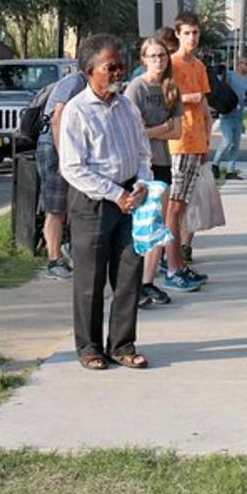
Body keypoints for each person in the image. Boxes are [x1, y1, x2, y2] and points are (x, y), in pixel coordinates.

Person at [58, 34, 152, 371]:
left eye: (120, 67)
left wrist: (141, 183)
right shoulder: (76, 111)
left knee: (129, 273)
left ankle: (122, 345)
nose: (117, 73)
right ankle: (89, 347)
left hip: (131, 200)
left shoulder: (127, 106)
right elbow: (71, 167)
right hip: (93, 202)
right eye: (109, 67)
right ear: (89, 71)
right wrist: (117, 195)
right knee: (90, 278)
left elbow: (142, 152)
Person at [125, 36, 199, 306]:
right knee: (138, 224)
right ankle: (131, 283)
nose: (159, 60)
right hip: (139, 165)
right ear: (143, 59)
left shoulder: (171, 89)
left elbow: (178, 130)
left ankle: (148, 281)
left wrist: (153, 131)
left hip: (163, 162)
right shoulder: (135, 89)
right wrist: (161, 129)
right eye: (153, 56)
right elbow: (132, 132)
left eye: (162, 56)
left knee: (159, 223)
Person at [166, 12, 215, 274]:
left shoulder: (198, 66)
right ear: (178, 34)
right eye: (187, 33)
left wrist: (207, 140)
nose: (192, 38)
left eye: (195, 33)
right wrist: (188, 98)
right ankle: (170, 259)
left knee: (184, 203)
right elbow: (166, 99)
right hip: (178, 141)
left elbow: (205, 105)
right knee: (174, 204)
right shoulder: (171, 64)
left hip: (196, 142)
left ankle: (180, 255)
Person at [34, 60, 88, 280]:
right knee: (55, 207)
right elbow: (58, 118)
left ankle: (67, 247)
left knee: (70, 202)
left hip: (70, 147)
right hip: (54, 147)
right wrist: (63, 156)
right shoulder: (74, 82)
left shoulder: (85, 83)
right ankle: (54, 260)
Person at [212, 56, 247, 179]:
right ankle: (215, 165)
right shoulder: (230, 75)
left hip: (238, 115)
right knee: (227, 141)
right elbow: (220, 84)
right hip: (227, 113)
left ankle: (230, 171)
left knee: (235, 144)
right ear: (239, 64)